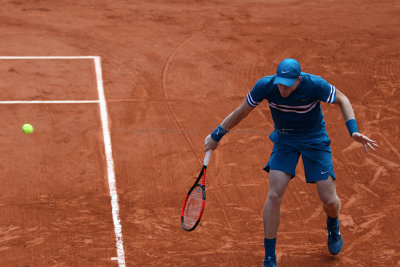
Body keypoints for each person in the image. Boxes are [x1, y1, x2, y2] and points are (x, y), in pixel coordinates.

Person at [203, 58, 378, 267]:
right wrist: (217, 134)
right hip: (285, 140)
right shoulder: (266, 86)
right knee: (275, 193)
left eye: (287, 84)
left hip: (315, 140)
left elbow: (343, 99)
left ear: (298, 80)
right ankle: (269, 256)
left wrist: (353, 130)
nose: (282, 89)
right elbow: (242, 111)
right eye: (280, 83)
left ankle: (333, 224)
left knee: (329, 200)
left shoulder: (314, 84)